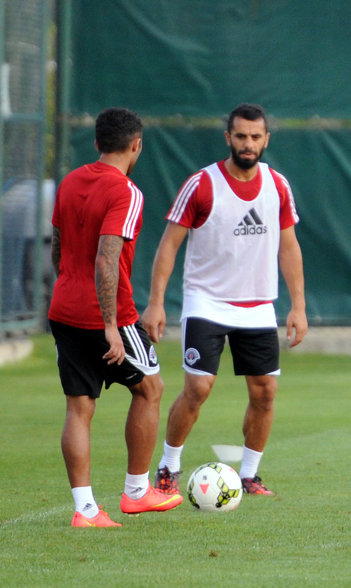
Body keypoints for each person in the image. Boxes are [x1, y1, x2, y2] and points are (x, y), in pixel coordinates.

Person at [141, 103, 307, 497]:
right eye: (241, 136)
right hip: (207, 301)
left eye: (255, 136)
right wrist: (156, 302)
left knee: (265, 392)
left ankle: (250, 474)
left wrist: (298, 306)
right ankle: (168, 465)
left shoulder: (277, 185)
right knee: (198, 388)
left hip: (258, 305)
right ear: (228, 137)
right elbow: (169, 245)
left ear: (266, 140)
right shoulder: (201, 184)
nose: (248, 143)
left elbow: (289, 247)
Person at [49, 107, 183, 528]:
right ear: (136, 145)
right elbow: (107, 260)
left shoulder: (71, 181)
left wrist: (68, 286)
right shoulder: (126, 192)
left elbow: (58, 245)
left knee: (79, 407)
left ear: (96, 143)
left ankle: (86, 510)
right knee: (150, 389)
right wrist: (111, 326)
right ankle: (137, 492)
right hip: (108, 316)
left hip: (64, 308)